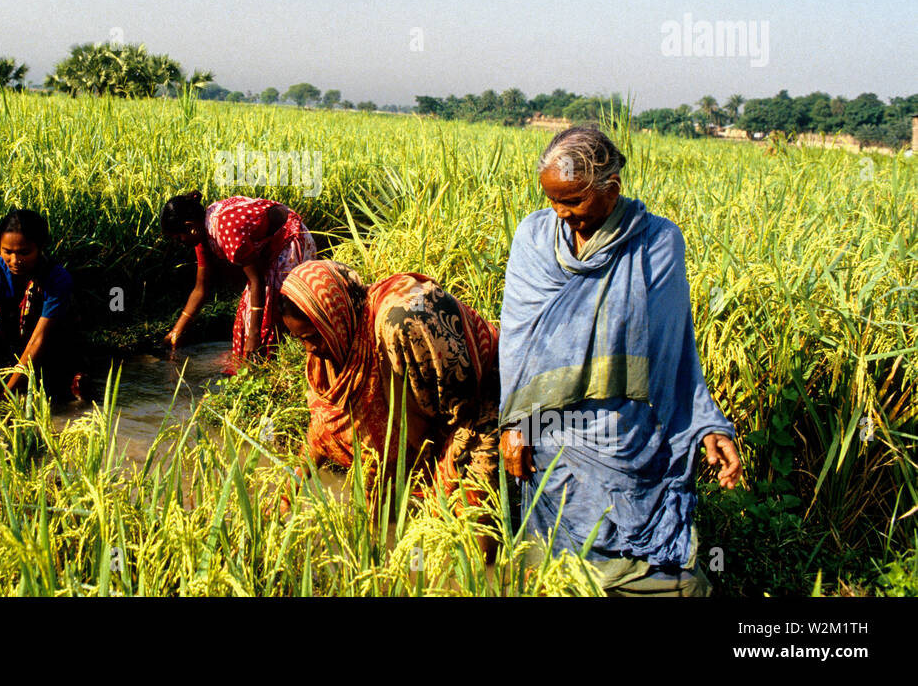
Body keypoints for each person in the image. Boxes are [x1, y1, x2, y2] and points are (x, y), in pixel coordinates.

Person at [498, 125, 742, 596]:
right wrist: (516, 424)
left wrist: (706, 423)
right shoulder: (533, 237)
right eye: (553, 200)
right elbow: (517, 344)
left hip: (626, 434)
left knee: (671, 578)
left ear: (612, 189)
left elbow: (674, 349)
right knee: (548, 570)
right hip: (549, 435)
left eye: (574, 201)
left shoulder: (657, 243)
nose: (562, 214)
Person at [279, 259, 500, 523]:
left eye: (311, 337)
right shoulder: (336, 343)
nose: (308, 349)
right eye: (300, 339)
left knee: (472, 534)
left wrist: (443, 482)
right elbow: (323, 427)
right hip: (427, 416)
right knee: (378, 524)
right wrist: (287, 493)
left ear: (332, 318)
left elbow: (464, 410)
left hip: (481, 398)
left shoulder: (403, 323)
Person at [161, 192, 316, 363]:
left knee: (272, 315)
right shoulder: (202, 235)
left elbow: (257, 280)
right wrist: (177, 331)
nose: (180, 243)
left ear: (190, 226)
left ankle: (288, 360)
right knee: (245, 323)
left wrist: (254, 335)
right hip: (268, 248)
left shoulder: (225, 228)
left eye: (178, 238)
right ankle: (248, 364)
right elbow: (201, 289)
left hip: (289, 238)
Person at [0, 208, 80, 408]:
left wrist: (4, 397)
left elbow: (39, 339)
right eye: (7, 252)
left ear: (40, 247)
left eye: (24, 252)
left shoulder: (56, 279)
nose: (15, 260)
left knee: (77, 390)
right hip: (11, 346)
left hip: (50, 348)